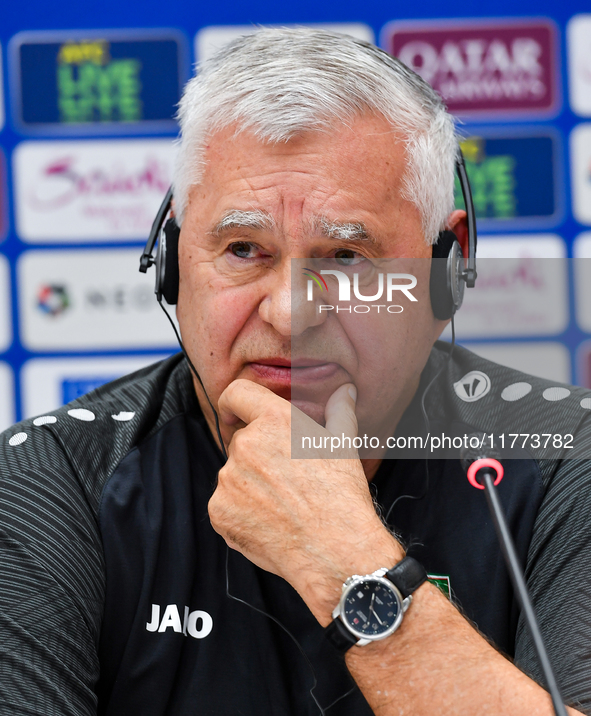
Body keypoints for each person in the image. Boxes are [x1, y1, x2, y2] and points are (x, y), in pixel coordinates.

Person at [1, 27, 591, 716]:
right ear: (171, 264)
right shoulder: (46, 482)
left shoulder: (567, 464)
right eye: (243, 248)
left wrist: (343, 558)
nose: (289, 313)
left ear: (444, 271)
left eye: (344, 257)